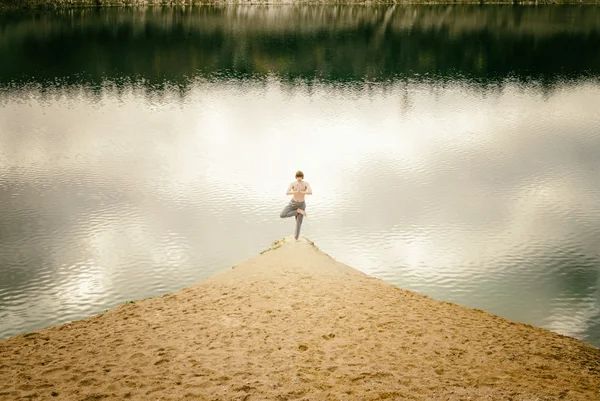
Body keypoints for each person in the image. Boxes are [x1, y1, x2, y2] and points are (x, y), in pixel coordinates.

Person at [280, 170, 312, 241]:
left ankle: (296, 238)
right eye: (298, 177)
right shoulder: (293, 184)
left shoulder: (306, 183)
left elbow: (310, 192)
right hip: (293, 203)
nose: (299, 178)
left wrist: (302, 191)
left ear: (302, 177)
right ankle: (297, 211)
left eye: (300, 177)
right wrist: (295, 191)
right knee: (282, 214)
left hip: (301, 204)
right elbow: (287, 192)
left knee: (298, 222)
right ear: (296, 177)